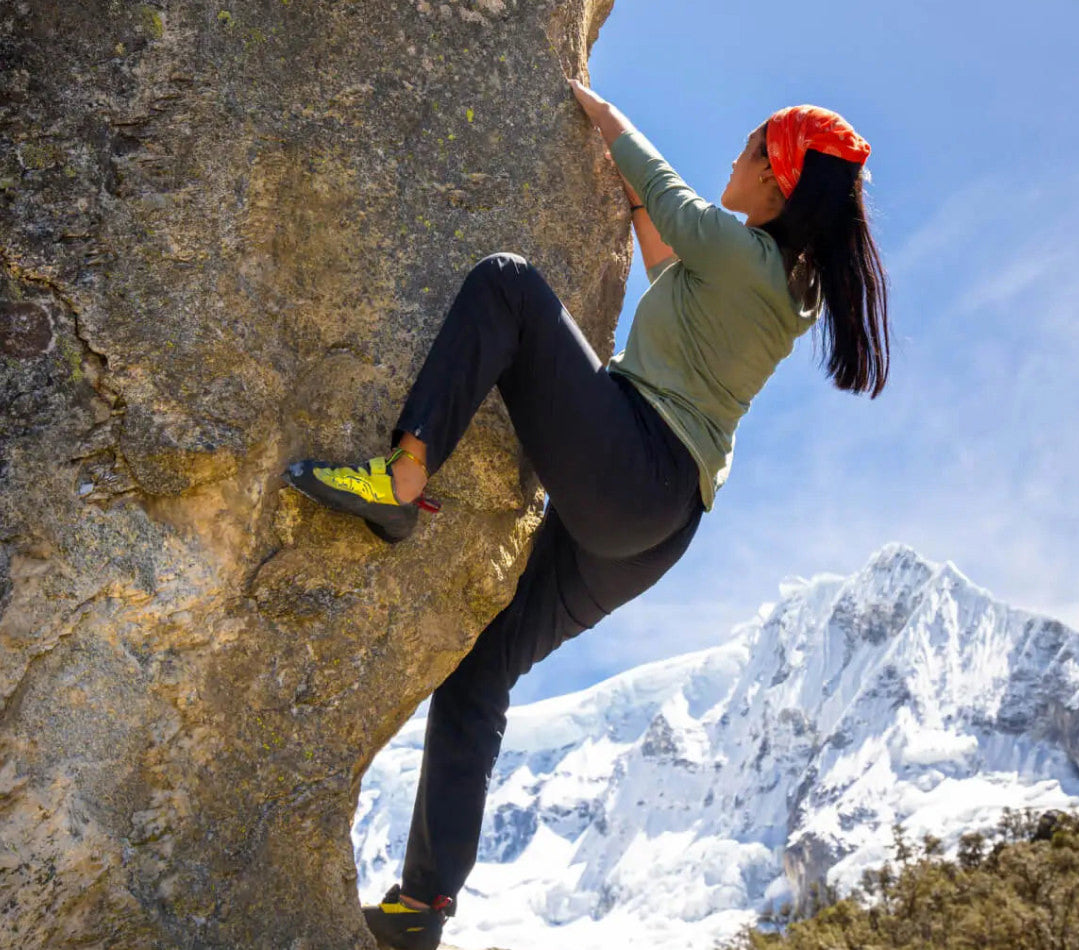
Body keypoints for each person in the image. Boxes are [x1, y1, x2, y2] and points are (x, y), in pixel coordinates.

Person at [283, 78, 889, 950]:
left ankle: (405, 477)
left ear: (777, 177)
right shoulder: (779, 286)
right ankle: (422, 911)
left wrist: (598, 113)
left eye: (747, 148)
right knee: (477, 673)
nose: (731, 159)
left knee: (507, 286)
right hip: (655, 527)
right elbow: (666, 263)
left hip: (634, 469)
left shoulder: (741, 255)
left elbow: (671, 199)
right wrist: (635, 195)